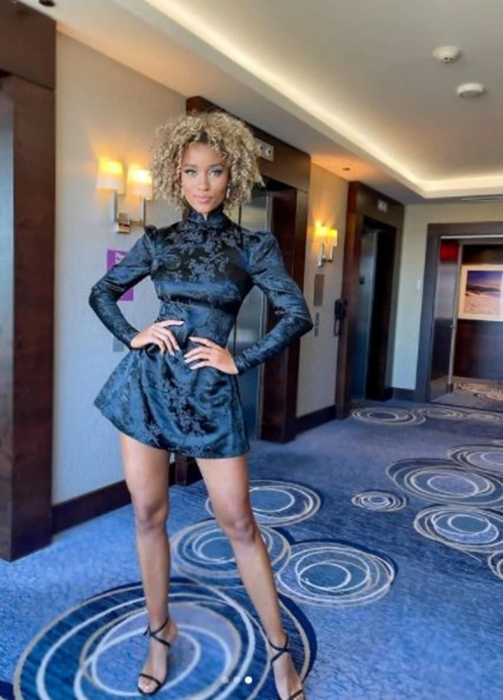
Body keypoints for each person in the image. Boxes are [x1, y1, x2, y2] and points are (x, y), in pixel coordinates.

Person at [89, 111, 313, 699]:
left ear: (232, 174)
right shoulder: (158, 241)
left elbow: (297, 314)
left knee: (238, 521)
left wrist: (240, 359)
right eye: (191, 171)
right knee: (148, 514)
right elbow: (103, 291)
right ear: (175, 174)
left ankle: (279, 649)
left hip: (210, 394)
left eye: (214, 171)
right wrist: (133, 334)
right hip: (147, 388)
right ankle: (159, 633)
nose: (202, 183)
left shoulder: (252, 245)